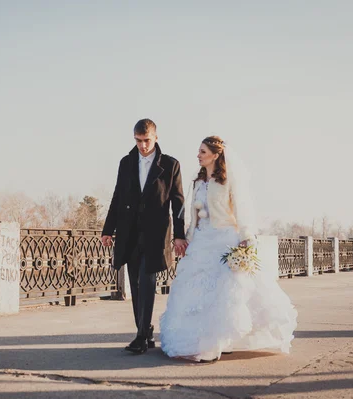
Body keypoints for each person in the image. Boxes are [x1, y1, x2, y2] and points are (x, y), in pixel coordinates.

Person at [159, 136, 297, 363]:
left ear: (215, 155)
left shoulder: (229, 181)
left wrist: (246, 237)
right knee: (194, 292)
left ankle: (226, 339)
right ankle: (196, 339)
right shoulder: (198, 182)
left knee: (227, 294)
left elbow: (242, 210)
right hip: (201, 242)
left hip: (224, 240)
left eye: (203, 151)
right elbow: (193, 217)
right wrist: (186, 239)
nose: (198, 155)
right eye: (199, 151)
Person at [101, 118, 187, 355]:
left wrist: (179, 235)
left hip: (155, 234)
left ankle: (140, 336)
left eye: (146, 140)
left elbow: (178, 203)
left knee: (147, 282)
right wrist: (108, 230)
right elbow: (117, 196)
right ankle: (145, 330)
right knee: (135, 284)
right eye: (138, 141)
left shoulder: (170, 165)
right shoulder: (126, 162)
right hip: (129, 232)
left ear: (156, 137)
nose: (142, 146)